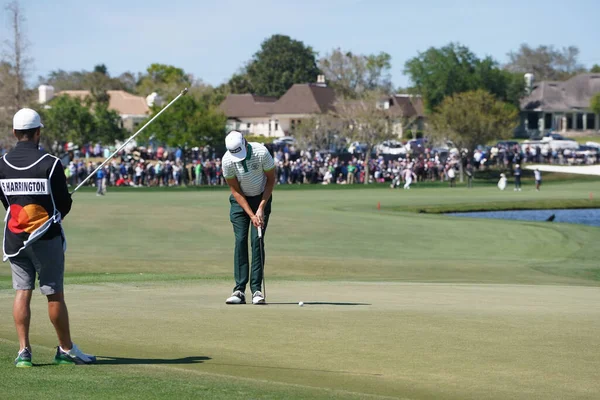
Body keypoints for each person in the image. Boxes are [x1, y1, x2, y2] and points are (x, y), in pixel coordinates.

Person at [0, 108, 96, 367]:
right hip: (45, 238)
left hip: (16, 238)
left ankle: (24, 352)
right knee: (54, 294)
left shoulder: (2, 164)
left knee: (22, 291)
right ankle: (65, 349)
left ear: (14, 132)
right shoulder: (50, 163)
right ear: (38, 132)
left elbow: (6, 202)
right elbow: (63, 205)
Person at [222, 131, 275, 305]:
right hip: (240, 203)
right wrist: (251, 214)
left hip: (261, 198)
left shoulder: (261, 152)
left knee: (257, 241)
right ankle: (239, 290)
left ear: (245, 142)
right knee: (240, 240)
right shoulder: (227, 160)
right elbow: (235, 191)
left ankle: (256, 290)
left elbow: (271, 180)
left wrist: (260, 208)